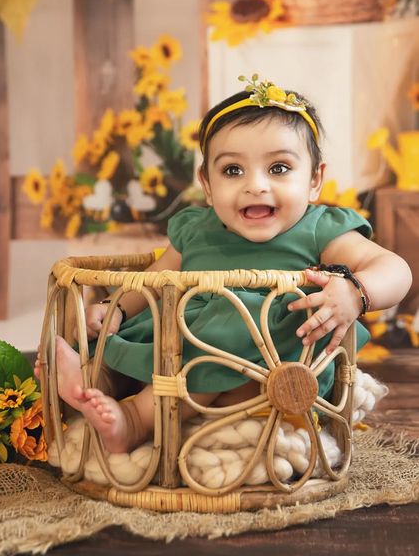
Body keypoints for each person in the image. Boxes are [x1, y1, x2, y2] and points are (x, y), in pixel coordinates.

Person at [36, 74, 412, 455]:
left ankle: (136, 421)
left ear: (314, 180)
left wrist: (355, 291)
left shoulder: (321, 229)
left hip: (273, 368)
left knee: (228, 327)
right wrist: (111, 308)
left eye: (279, 168)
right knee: (122, 331)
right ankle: (91, 385)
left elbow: (396, 269)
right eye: (233, 170)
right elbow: (154, 280)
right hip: (178, 347)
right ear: (208, 183)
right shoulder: (196, 228)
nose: (256, 185)